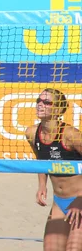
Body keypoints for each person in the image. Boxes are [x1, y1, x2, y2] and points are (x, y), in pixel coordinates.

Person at [25, 89, 82, 250]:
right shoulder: (31, 133)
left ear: (57, 110)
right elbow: (41, 160)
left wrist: (80, 199)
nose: (40, 105)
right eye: (38, 101)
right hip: (59, 202)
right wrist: (42, 185)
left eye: (47, 102)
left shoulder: (70, 135)